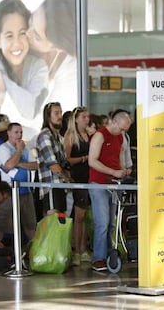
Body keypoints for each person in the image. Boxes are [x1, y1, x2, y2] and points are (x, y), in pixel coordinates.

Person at [0, 0, 48, 140]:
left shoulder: (38, 66)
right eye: (9, 36)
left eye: (22, 33)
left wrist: (4, 83)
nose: (17, 43)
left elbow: (30, 110)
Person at [88, 109, 132, 272]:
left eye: (125, 130)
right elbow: (92, 161)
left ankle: (108, 254)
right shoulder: (100, 135)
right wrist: (114, 172)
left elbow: (118, 157)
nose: (123, 132)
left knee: (111, 223)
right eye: (121, 128)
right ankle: (98, 258)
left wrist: (123, 170)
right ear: (113, 122)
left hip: (114, 184)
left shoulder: (120, 137)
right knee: (102, 222)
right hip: (99, 183)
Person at [27, 0, 77, 115]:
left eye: (37, 36)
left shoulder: (69, 84)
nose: (27, 33)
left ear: (58, 47)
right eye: (30, 20)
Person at [0, 122, 37, 242]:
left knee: (30, 223)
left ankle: (34, 251)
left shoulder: (26, 148)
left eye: (21, 132)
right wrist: (18, 150)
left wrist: (20, 164)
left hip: (26, 190)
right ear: (9, 133)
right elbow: (8, 165)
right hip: (9, 190)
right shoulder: (3, 148)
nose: (19, 135)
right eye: (16, 132)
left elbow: (35, 165)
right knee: (2, 223)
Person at [64, 106, 91, 266]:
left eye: (87, 117)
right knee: (79, 215)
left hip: (89, 177)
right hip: (77, 176)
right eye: (83, 117)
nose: (86, 120)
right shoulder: (70, 136)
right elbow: (67, 159)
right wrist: (84, 158)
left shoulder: (89, 134)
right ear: (76, 119)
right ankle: (77, 250)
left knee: (85, 215)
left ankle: (83, 247)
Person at [36, 102, 70, 214]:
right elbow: (53, 165)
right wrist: (67, 177)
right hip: (51, 185)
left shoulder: (59, 137)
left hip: (60, 185)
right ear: (48, 116)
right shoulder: (45, 136)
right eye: (56, 113)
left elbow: (63, 162)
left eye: (60, 112)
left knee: (61, 223)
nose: (60, 116)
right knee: (53, 223)